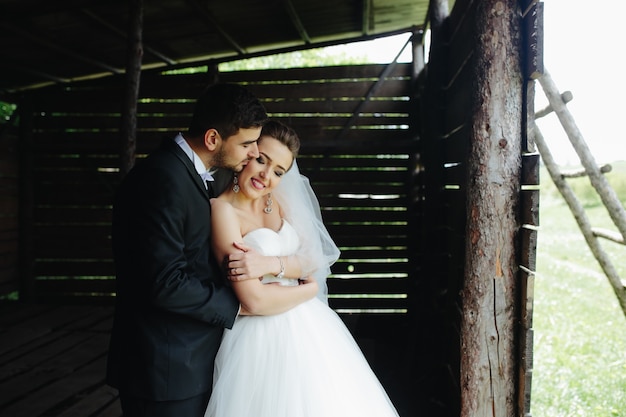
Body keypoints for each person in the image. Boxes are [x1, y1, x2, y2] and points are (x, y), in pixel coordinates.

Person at [106, 84, 317, 417]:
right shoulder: (161, 179)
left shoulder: (206, 177)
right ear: (213, 139)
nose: (252, 155)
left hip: (197, 359)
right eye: (248, 145)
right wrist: (242, 305)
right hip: (164, 369)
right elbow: (164, 282)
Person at [205, 120, 400, 417]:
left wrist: (272, 264)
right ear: (248, 155)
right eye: (261, 160)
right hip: (260, 339)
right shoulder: (223, 210)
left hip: (313, 331)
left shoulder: (278, 198)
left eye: (278, 172)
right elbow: (254, 300)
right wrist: (307, 287)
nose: (266, 176)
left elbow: (314, 256)